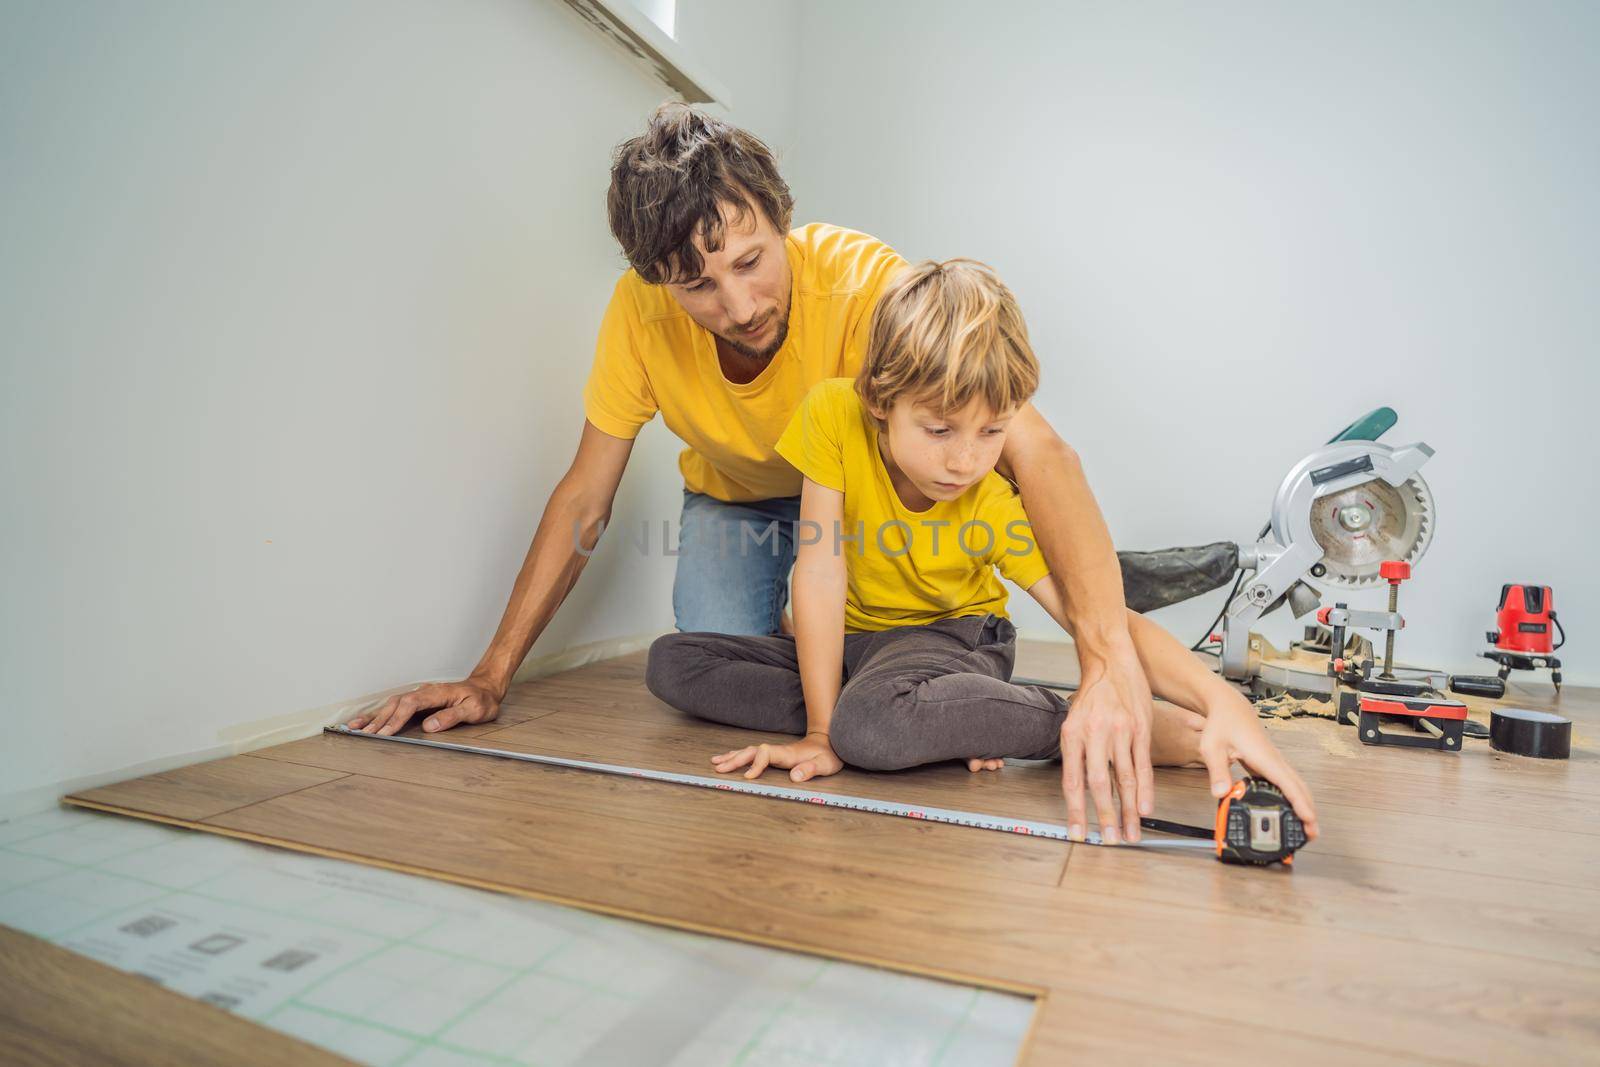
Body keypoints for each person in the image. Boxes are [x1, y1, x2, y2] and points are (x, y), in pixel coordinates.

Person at [348, 103, 1164, 845]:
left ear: (783, 220)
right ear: (654, 279)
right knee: (687, 665)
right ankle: (882, 701)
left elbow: (1036, 451)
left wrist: (1109, 662)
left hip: (852, 510)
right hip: (734, 502)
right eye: (696, 285)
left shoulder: (864, 283)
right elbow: (584, 496)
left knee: (860, 655)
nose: (737, 307)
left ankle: (928, 693)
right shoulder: (636, 318)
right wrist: (490, 676)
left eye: (751, 261)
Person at [644, 260, 1319, 840]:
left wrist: (1220, 697)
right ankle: (941, 715)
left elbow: (1096, 615)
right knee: (676, 661)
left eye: (992, 431)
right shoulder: (831, 412)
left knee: (871, 728)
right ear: (879, 398)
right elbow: (817, 570)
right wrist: (819, 732)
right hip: (860, 641)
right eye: (939, 428)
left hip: (956, 638)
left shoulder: (992, 502)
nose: (966, 458)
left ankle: (1045, 719)